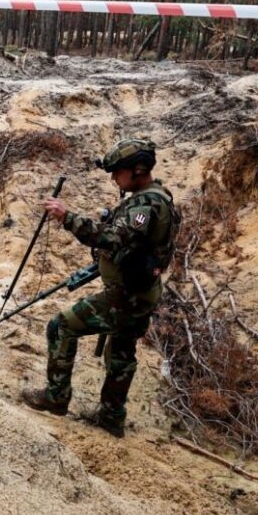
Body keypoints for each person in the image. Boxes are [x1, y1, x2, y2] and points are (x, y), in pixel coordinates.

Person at [21, 138, 179, 437]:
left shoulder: (145, 204)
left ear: (138, 170)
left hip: (126, 296)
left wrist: (67, 217)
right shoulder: (160, 196)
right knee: (121, 352)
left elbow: (111, 238)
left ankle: (55, 399)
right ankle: (111, 416)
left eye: (118, 171)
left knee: (61, 326)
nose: (113, 177)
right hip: (143, 292)